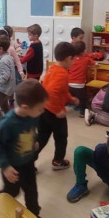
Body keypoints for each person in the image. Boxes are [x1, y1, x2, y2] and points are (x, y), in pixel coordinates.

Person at [0, 79, 48, 218]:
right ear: (25, 107)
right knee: (10, 193)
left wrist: (34, 140)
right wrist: (5, 167)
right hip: (12, 167)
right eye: (40, 109)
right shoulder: (8, 123)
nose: (42, 111)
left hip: (28, 163)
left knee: (32, 192)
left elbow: (31, 129)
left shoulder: (33, 115)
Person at [37, 42, 79, 170]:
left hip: (43, 110)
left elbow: (60, 90)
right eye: (73, 59)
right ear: (68, 58)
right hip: (54, 113)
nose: (73, 62)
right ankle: (58, 161)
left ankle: (27, 161)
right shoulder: (63, 74)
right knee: (61, 138)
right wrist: (57, 111)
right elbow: (52, 92)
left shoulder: (52, 69)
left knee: (41, 138)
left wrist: (70, 99)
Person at [68, 40, 94, 117]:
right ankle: (82, 112)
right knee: (83, 98)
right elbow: (94, 63)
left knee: (71, 96)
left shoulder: (71, 59)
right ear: (83, 51)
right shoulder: (86, 59)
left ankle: (70, 105)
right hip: (80, 84)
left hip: (69, 83)